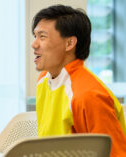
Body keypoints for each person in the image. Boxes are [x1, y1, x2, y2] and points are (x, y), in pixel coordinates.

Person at [32, 4, 126, 156]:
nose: (34, 44)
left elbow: (115, 154)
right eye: (35, 36)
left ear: (69, 43)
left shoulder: (89, 95)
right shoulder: (43, 80)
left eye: (42, 37)